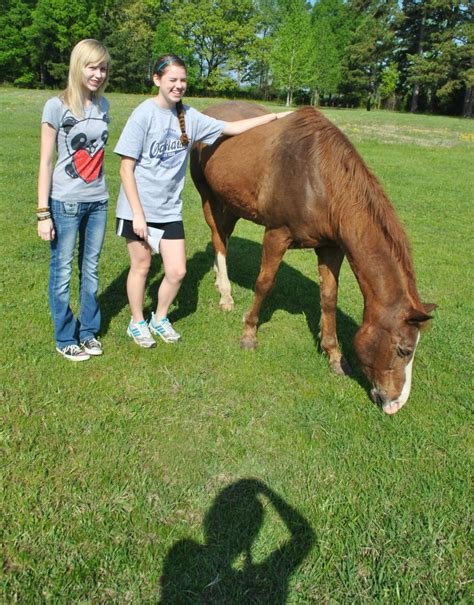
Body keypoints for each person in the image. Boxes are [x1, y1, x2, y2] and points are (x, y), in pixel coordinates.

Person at [115, 54, 292, 348]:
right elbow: (125, 167)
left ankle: (159, 318)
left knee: (177, 271)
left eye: (183, 80)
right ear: (157, 80)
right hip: (139, 208)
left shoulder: (189, 116)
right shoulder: (143, 114)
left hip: (169, 209)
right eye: (172, 80)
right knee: (142, 266)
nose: (179, 85)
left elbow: (231, 128)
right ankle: (137, 322)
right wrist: (137, 213)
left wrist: (274, 117)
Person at [37, 39, 111, 361]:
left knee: (91, 269)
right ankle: (65, 335)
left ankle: (88, 331)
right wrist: (43, 212)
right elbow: (46, 161)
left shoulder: (104, 105)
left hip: (99, 200)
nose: (98, 74)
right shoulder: (56, 106)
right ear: (77, 66)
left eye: (103, 68)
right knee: (63, 270)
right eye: (92, 66)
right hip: (65, 202)